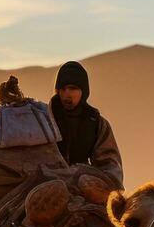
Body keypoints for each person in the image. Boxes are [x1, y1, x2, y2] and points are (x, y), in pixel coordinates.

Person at [49, 60, 122, 188]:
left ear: (83, 91)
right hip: (48, 182)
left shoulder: (96, 123)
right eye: (63, 89)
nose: (67, 94)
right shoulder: (45, 118)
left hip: (83, 184)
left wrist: (106, 185)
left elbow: (109, 163)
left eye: (73, 88)